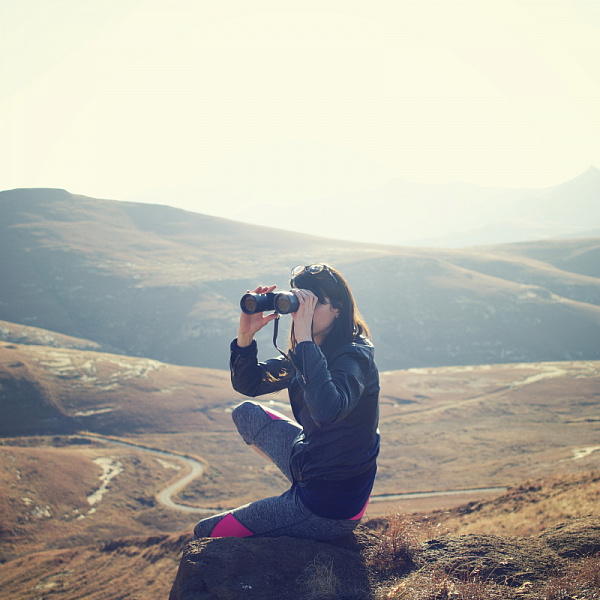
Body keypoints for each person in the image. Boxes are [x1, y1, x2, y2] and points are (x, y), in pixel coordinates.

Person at [193, 264, 380, 541]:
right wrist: (245, 337)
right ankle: (297, 490)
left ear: (338, 309)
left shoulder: (353, 358)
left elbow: (329, 411)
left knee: (205, 532)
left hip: (329, 506)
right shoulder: (316, 348)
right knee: (246, 414)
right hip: (312, 459)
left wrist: (304, 338)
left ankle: (296, 507)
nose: (300, 313)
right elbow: (251, 384)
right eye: (298, 303)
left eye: (313, 304)